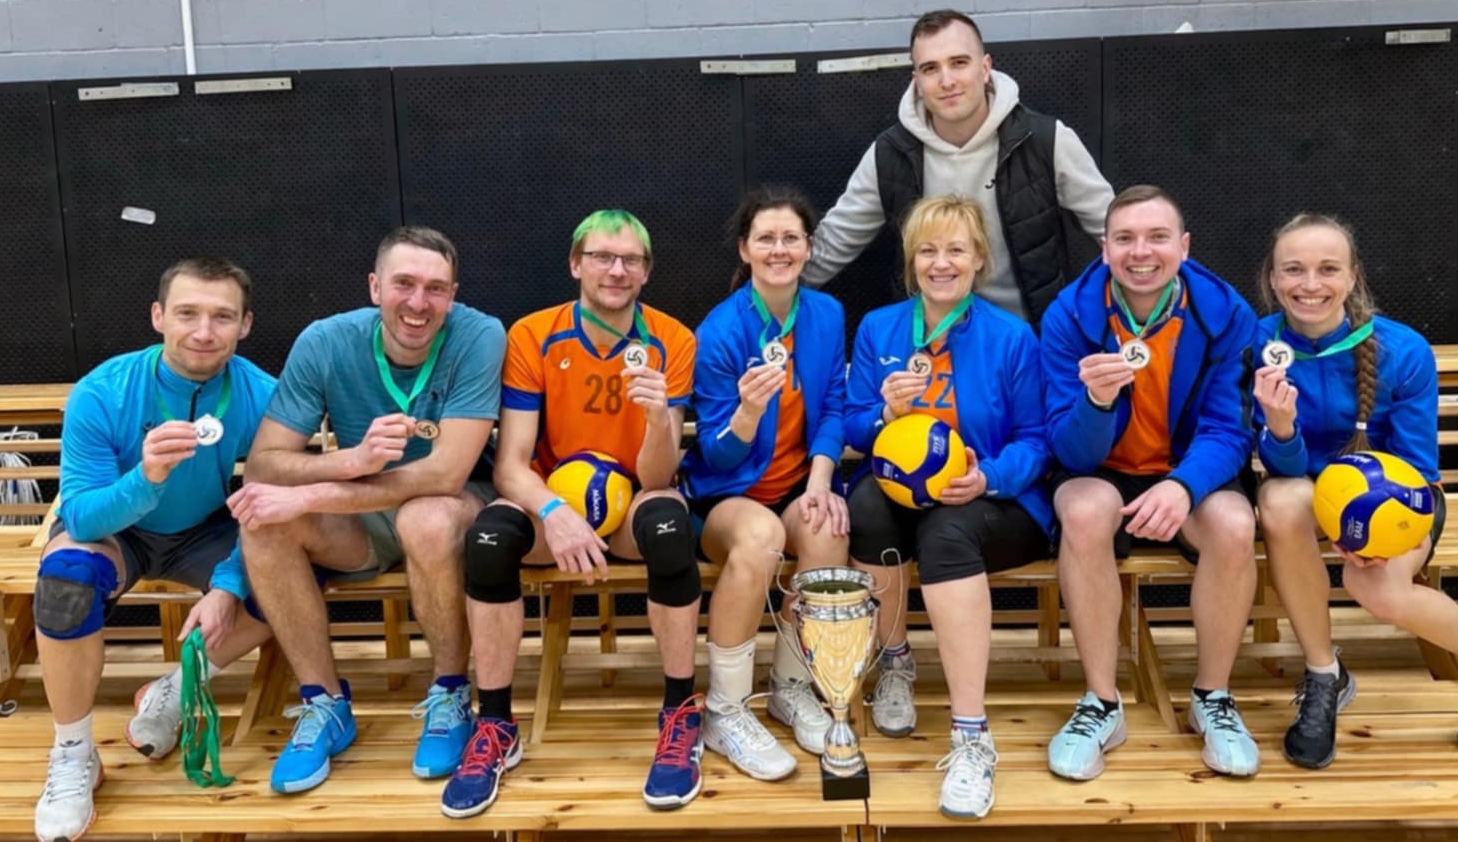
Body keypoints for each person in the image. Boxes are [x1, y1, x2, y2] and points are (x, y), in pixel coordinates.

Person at [230, 227, 505, 794]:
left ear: (453, 296)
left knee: (425, 517)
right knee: (266, 521)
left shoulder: (479, 334)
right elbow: (264, 464)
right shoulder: (325, 341)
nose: (418, 303)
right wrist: (351, 460)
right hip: (362, 510)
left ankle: (451, 694)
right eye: (404, 284)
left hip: (453, 506)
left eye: (435, 288)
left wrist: (313, 493)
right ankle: (324, 704)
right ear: (375, 287)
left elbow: (445, 475)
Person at [448, 209, 700, 817]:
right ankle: (496, 724)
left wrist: (656, 417)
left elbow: (658, 477)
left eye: (631, 260)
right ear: (575, 264)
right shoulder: (533, 335)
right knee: (488, 537)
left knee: (670, 525)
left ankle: (679, 714)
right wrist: (556, 512)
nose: (616, 270)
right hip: (554, 508)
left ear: (646, 272)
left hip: (633, 502)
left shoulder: (673, 340)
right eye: (602, 257)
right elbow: (510, 465)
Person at [33, 258, 276, 842]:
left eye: (222, 317)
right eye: (187, 313)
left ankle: (178, 687)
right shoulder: (102, 391)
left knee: (293, 577)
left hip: (204, 530)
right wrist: (147, 477)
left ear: (245, 325)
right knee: (66, 581)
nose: (203, 332)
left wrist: (229, 583)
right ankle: (73, 754)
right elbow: (82, 515)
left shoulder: (263, 394)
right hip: (117, 531)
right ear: (158, 316)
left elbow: (276, 506)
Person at [1252, 213, 1458, 765]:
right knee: (1279, 499)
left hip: (1398, 498)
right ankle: (1324, 676)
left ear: (1353, 276)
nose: (1309, 284)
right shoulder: (1257, 345)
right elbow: (1283, 468)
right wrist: (1281, 428)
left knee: (1378, 590)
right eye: (1293, 269)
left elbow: (1416, 466)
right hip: (1309, 495)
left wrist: (1368, 530)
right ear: (1272, 278)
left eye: (1327, 269)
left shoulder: (1402, 349)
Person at [844, 194, 1054, 819]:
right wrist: (885, 412)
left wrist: (987, 476)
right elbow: (853, 428)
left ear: (979, 259)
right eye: (927, 251)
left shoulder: (1011, 336)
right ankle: (896, 662)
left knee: (945, 531)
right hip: (904, 494)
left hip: (993, 501)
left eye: (956, 250)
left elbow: (1037, 441)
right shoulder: (880, 328)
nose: (941, 263)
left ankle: (971, 736)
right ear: (912, 262)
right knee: (867, 508)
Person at [1041, 185, 1260, 782]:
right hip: (1102, 470)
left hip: (1189, 466)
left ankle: (1212, 697)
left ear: (1184, 246)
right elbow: (1068, 449)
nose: (1141, 252)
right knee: (1082, 510)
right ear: (1104, 248)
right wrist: (1096, 401)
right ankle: (1101, 703)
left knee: (1235, 523)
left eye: (1157, 237)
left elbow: (1230, 429)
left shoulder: (1227, 313)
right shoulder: (1068, 315)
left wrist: (1184, 485)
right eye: (1126, 238)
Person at [680, 186, 849, 782]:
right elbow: (716, 453)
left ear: (809, 247)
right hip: (727, 496)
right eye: (766, 239)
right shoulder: (720, 332)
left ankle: (790, 687)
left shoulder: (827, 314)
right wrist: (747, 414)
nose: (779, 249)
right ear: (745, 249)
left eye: (790, 238)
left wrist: (821, 480)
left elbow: (834, 406)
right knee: (762, 538)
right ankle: (725, 710)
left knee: (827, 527)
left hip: (797, 483)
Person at [801, 8, 1114, 325]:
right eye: (930, 68)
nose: (947, 81)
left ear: (985, 68)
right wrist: (769, 296)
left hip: (1030, 340)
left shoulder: (1046, 140)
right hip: (930, 344)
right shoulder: (890, 154)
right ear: (917, 82)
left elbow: (1118, 233)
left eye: (959, 63)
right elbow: (831, 245)